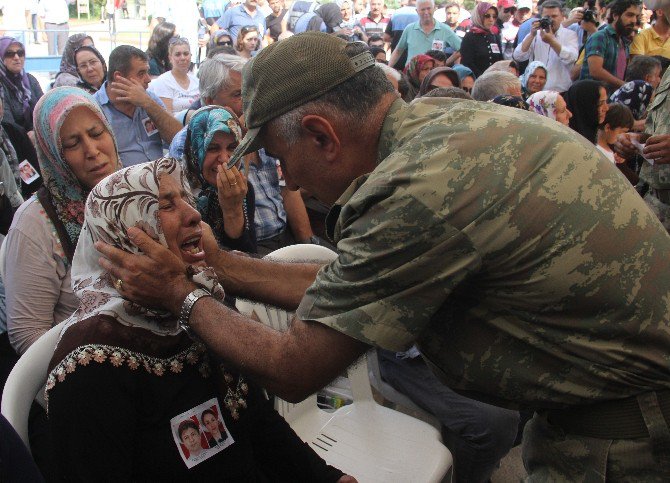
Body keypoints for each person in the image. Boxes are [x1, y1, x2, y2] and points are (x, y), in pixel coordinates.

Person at [98, 33, 670, 480]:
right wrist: (219, 266)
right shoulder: (444, 126)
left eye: (278, 155)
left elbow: (297, 367)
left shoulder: (415, 190)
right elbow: (348, 285)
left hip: (623, 439)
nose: (284, 176)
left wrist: (181, 294)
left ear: (322, 136)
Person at [45, 157, 351, 482]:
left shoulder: (194, 308)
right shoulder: (89, 370)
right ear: (124, 233)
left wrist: (327, 478)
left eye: (186, 200)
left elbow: (257, 423)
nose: (194, 216)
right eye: (166, 206)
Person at [4, 87, 121, 355]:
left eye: (96, 133)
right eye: (72, 144)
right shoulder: (34, 223)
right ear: (53, 154)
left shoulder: (133, 192)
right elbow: (28, 334)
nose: (91, 150)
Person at [94, 45, 182, 166]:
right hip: (123, 181)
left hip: (160, 175)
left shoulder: (149, 98)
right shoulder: (95, 109)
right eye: (141, 73)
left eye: (148, 72)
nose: (148, 79)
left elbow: (179, 139)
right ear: (119, 78)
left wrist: (148, 104)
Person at [183, 106, 256, 252]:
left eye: (232, 147)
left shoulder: (241, 188)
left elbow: (249, 255)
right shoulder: (179, 195)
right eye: (212, 148)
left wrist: (233, 210)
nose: (224, 159)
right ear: (195, 151)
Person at [513, 0, 578, 93]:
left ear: (562, 16)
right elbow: (518, 56)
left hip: (559, 91)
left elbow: (571, 58)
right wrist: (531, 35)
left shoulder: (570, 35)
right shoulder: (536, 34)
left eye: (554, 16)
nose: (551, 20)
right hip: (535, 90)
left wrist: (552, 42)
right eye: (547, 17)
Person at [580, 0, 642, 91]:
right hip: (592, 98)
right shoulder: (600, 37)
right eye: (629, 15)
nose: (634, 20)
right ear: (615, 15)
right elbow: (595, 71)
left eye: (636, 16)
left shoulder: (624, 42)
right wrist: (625, 86)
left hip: (610, 99)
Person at [388, 0, 461, 68]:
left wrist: (445, 63)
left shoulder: (444, 29)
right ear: (417, 11)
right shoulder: (409, 29)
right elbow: (398, 50)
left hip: (433, 76)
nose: (426, 12)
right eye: (422, 9)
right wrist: (388, 68)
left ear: (434, 8)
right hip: (411, 76)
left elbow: (461, 49)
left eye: (429, 8)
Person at [0, 37, 43, 133]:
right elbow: (8, 125)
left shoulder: (30, 79)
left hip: (39, 136)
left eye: (20, 53)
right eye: (9, 54)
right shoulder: (1, 86)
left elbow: (45, 110)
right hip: (15, 141)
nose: (16, 57)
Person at [148, 37, 200, 114]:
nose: (182, 58)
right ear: (170, 58)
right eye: (177, 54)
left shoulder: (197, 81)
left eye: (186, 54)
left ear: (190, 56)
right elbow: (167, 116)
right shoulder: (164, 82)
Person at [460, 2, 503, 77]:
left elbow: (500, 60)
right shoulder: (470, 37)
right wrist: (482, 77)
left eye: (494, 16)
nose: (491, 19)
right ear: (479, 16)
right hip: (476, 80)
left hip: (494, 80)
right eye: (487, 16)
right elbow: (467, 62)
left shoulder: (495, 37)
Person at [565, 79, 609, 143]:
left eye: (606, 101)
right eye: (599, 103)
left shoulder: (597, 137)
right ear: (584, 105)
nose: (606, 108)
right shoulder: (567, 140)